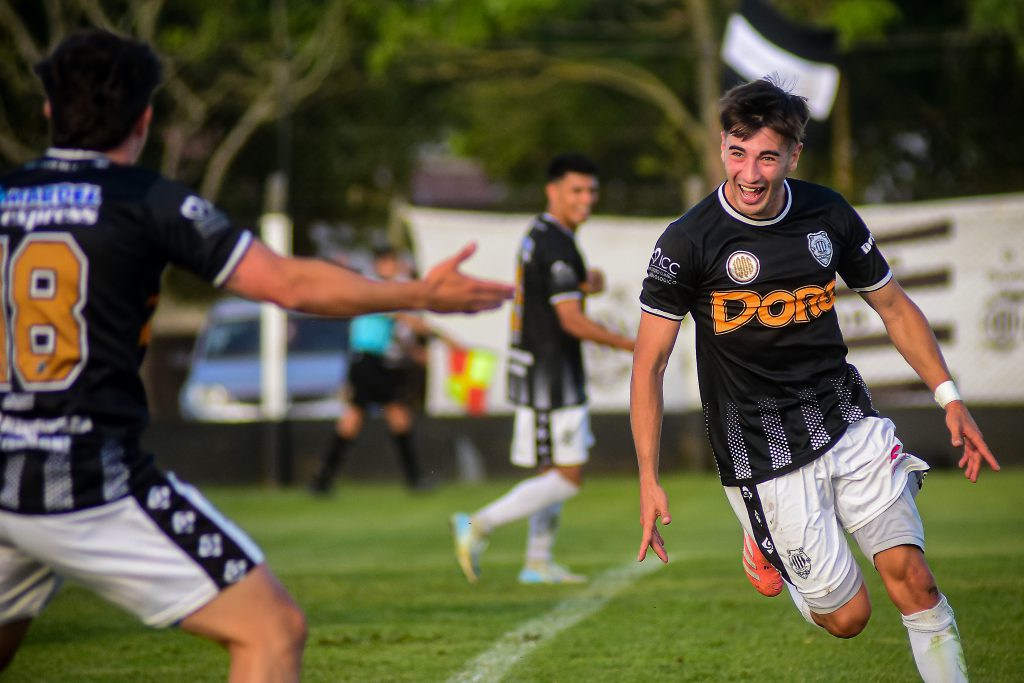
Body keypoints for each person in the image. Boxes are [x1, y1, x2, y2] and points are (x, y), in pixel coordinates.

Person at [0, 29, 512, 682]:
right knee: (272, 631)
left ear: (48, 109)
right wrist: (419, 293)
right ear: (145, 119)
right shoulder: (148, 201)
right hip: (83, 478)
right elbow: (290, 284)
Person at [631, 77, 1000, 682]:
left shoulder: (827, 213)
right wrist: (648, 477)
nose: (749, 173)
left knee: (914, 580)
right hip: (760, 446)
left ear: (793, 156)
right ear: (722, 146)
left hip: (845, 417)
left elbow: (894, 306)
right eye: (737, 153)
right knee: (849, 618)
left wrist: (949, 397)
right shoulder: (687, 240)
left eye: (766, 156)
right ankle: (766, 543)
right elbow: (649, 365)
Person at [451, 153, 634, 585]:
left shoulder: (543, 234)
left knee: (553, 472)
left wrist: (585, 283)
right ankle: (478, 524)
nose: (586, 199)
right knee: (568, 478)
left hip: (544, 370)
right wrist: (634, 345)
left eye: (591, 190)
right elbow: (570, 320)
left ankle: (537, 562)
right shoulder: (557, 245)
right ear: (552, 191)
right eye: (576, 190)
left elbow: (553, 292)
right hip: (551, 377)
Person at [309, 246, 460, 494]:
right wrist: (445, 339)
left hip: (372, 362)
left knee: (368, 419)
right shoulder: (375, 290)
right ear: (380, 264)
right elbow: (407, 320)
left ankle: (323, 480)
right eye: (390, 262)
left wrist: (415, 353)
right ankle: (414, 479)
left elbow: (393, 334)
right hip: (368, 362)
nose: (395, 267)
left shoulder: (379, 289)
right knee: (384, 417)